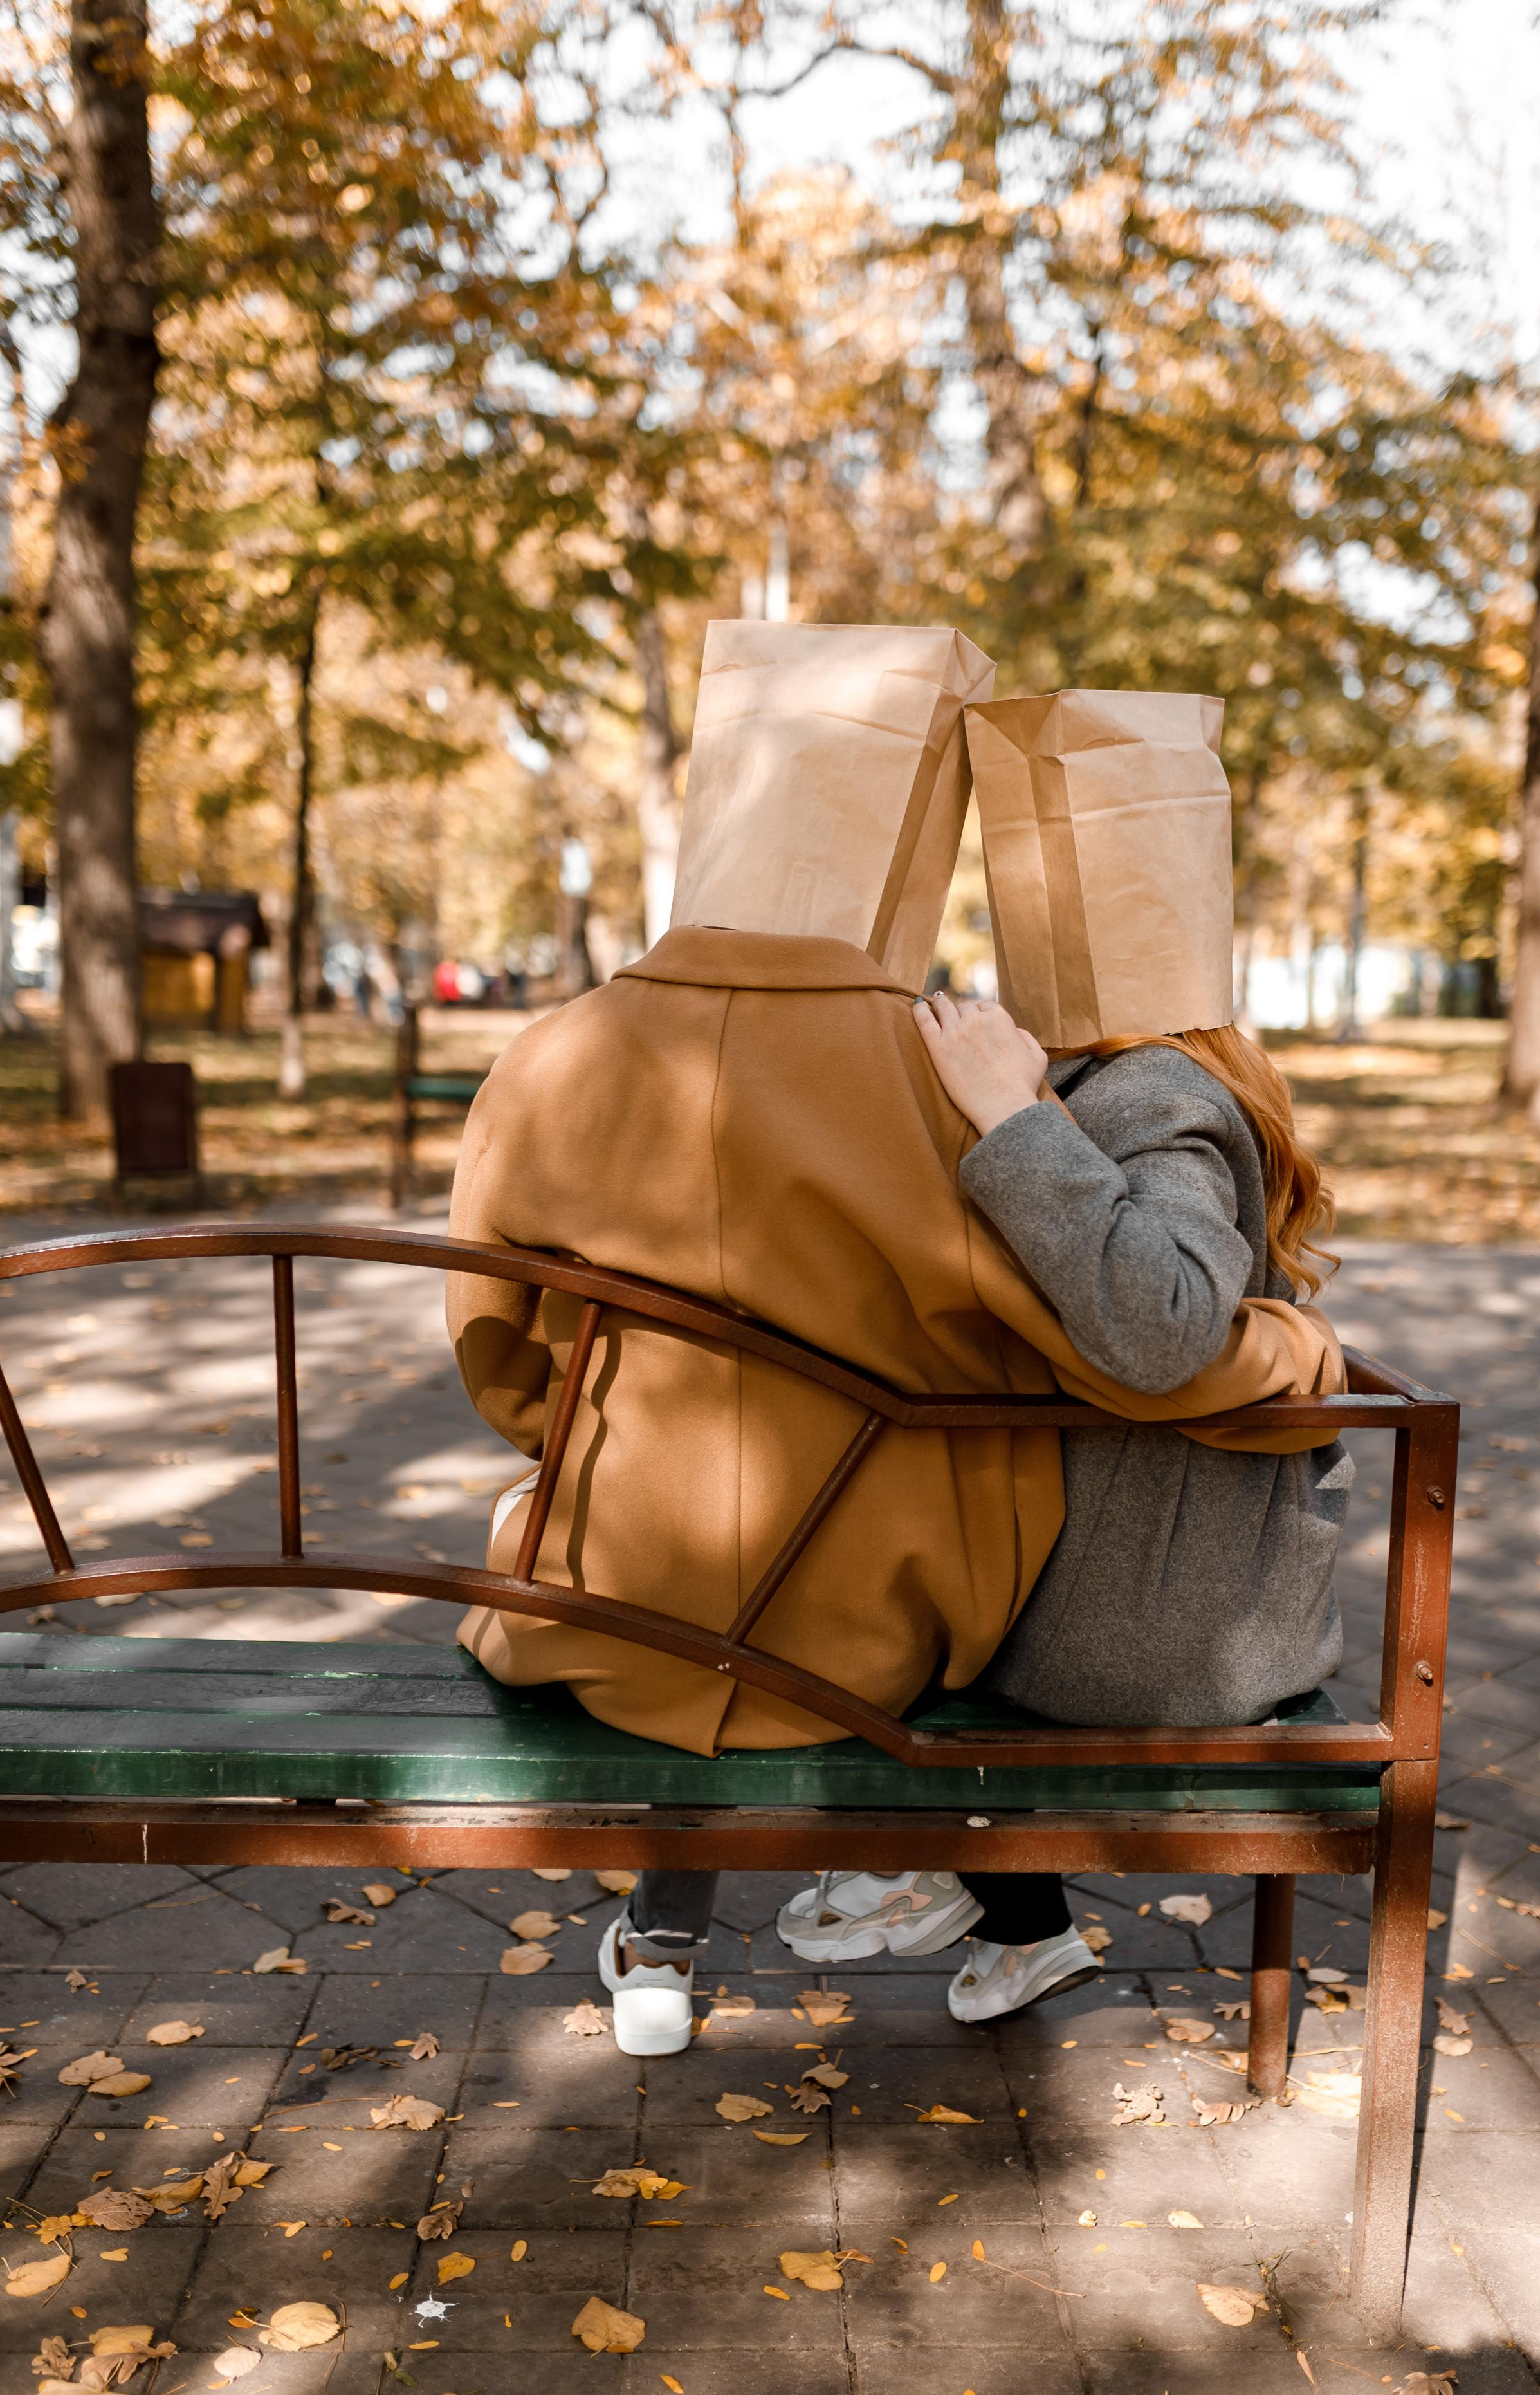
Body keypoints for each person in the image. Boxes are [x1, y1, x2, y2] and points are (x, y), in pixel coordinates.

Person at [446, 642, 1345, 2053]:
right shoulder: (933, 1079)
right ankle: (1003, 1928)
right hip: (883, 1621)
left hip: (600, 1610)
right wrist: (1295, 1356)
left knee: (687, 1535)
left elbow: (492, 1342)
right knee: (874, 1518)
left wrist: (555, 1459)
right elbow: (1039, 1339)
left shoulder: (552, 1047)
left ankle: (674, 1938)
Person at [775, 688, 1355, 2023]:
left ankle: (920, 1861)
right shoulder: (1153, 1073)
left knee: (860, 1591)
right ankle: (1010, 1917)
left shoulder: (1155, 1090)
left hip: (1161, 1634)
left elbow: (1158, 1329)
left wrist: (1004, 1112)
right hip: (1168, 1591)